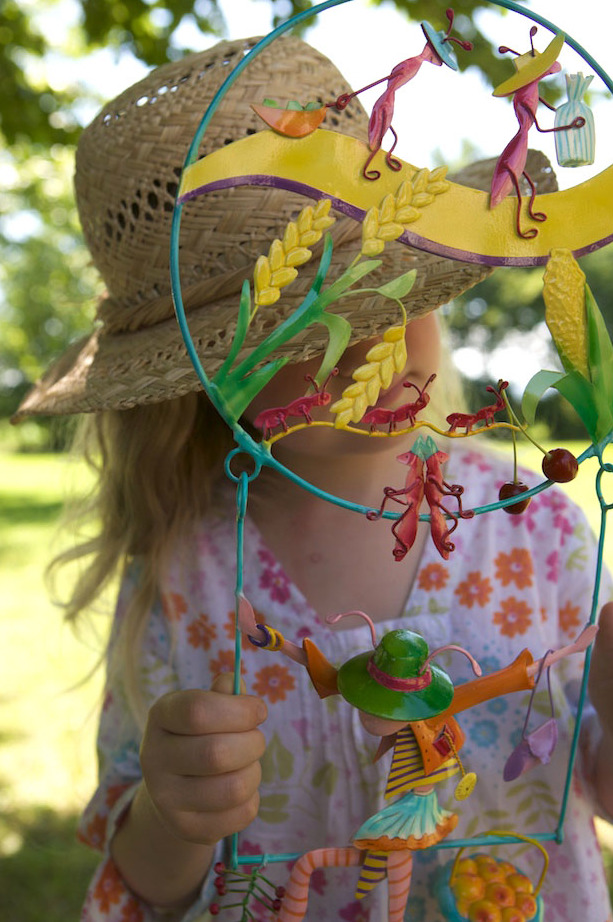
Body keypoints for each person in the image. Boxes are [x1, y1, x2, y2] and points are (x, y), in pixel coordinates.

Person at [14, 32, 613, 922]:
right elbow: (140, 883)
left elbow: (595, 782)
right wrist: (173, 818)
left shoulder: (537, 526)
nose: (369, 341)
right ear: (198, 378)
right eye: (306, 328)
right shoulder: (187, 577)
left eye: (396, 295)